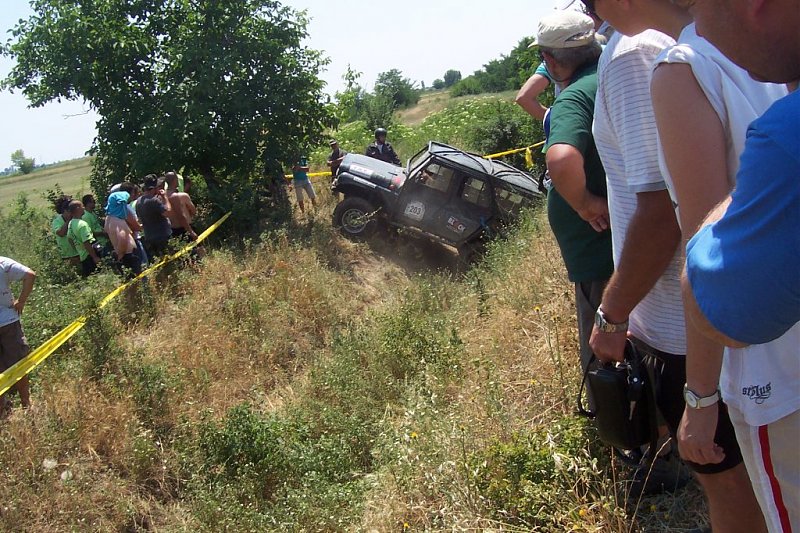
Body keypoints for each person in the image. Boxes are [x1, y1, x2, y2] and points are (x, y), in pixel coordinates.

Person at [678, 1, 800, 531]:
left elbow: (721, 309)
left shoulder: (787, 140)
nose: (697, 23)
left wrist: (730, 206)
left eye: (699, 4)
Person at [537, 11, 614, 410]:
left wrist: (584, 205)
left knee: (606, 347)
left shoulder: (575, 96)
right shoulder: (613, 73)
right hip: (625, 241)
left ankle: (630, 444)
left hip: (599, 251)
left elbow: (562, 158)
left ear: (551, 61)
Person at [0, 256, 35, 414]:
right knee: (19, 364)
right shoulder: (2, 263)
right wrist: (21, 301)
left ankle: (3, 408)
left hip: (8, 321)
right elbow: (29, 275)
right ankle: (26, 404)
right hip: (8, 321)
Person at [104, 182, 143, 276]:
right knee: (138, 281)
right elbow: (122, 237)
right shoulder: (117, 220)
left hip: (126, 255)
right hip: (128, 256)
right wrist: (120, 254)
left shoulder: (109, 219)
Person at [135, 175, 173, 258]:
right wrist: (165, 197)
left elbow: (140, 220)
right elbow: (168, 212)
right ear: (153, 188)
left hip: (149, 237)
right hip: (162, 236)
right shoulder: (154, 200)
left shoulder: (138, 202)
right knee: (171, 260)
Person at [66, 200, 101, 277]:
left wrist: (78, 249)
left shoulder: (71, 224)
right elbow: (86, 242)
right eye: (82, 206)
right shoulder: (82, 224)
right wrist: (95, 257)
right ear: (78, 208)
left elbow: (70, 238)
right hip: (90, 256)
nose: (84, 208)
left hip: (83, 257)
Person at [165, 172, 198, 241]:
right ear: (175, 180)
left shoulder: (162, 197)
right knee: (199, 249)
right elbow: (193, 211)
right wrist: (191, 231)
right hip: (186, 228)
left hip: (173, 229)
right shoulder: (182, 196)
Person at [51, 194, 79, 265]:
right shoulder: (57, 221)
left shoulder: (76, 218)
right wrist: (68, 221)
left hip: (79, 252)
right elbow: (61, 233)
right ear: (65, 210)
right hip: (67, 255)